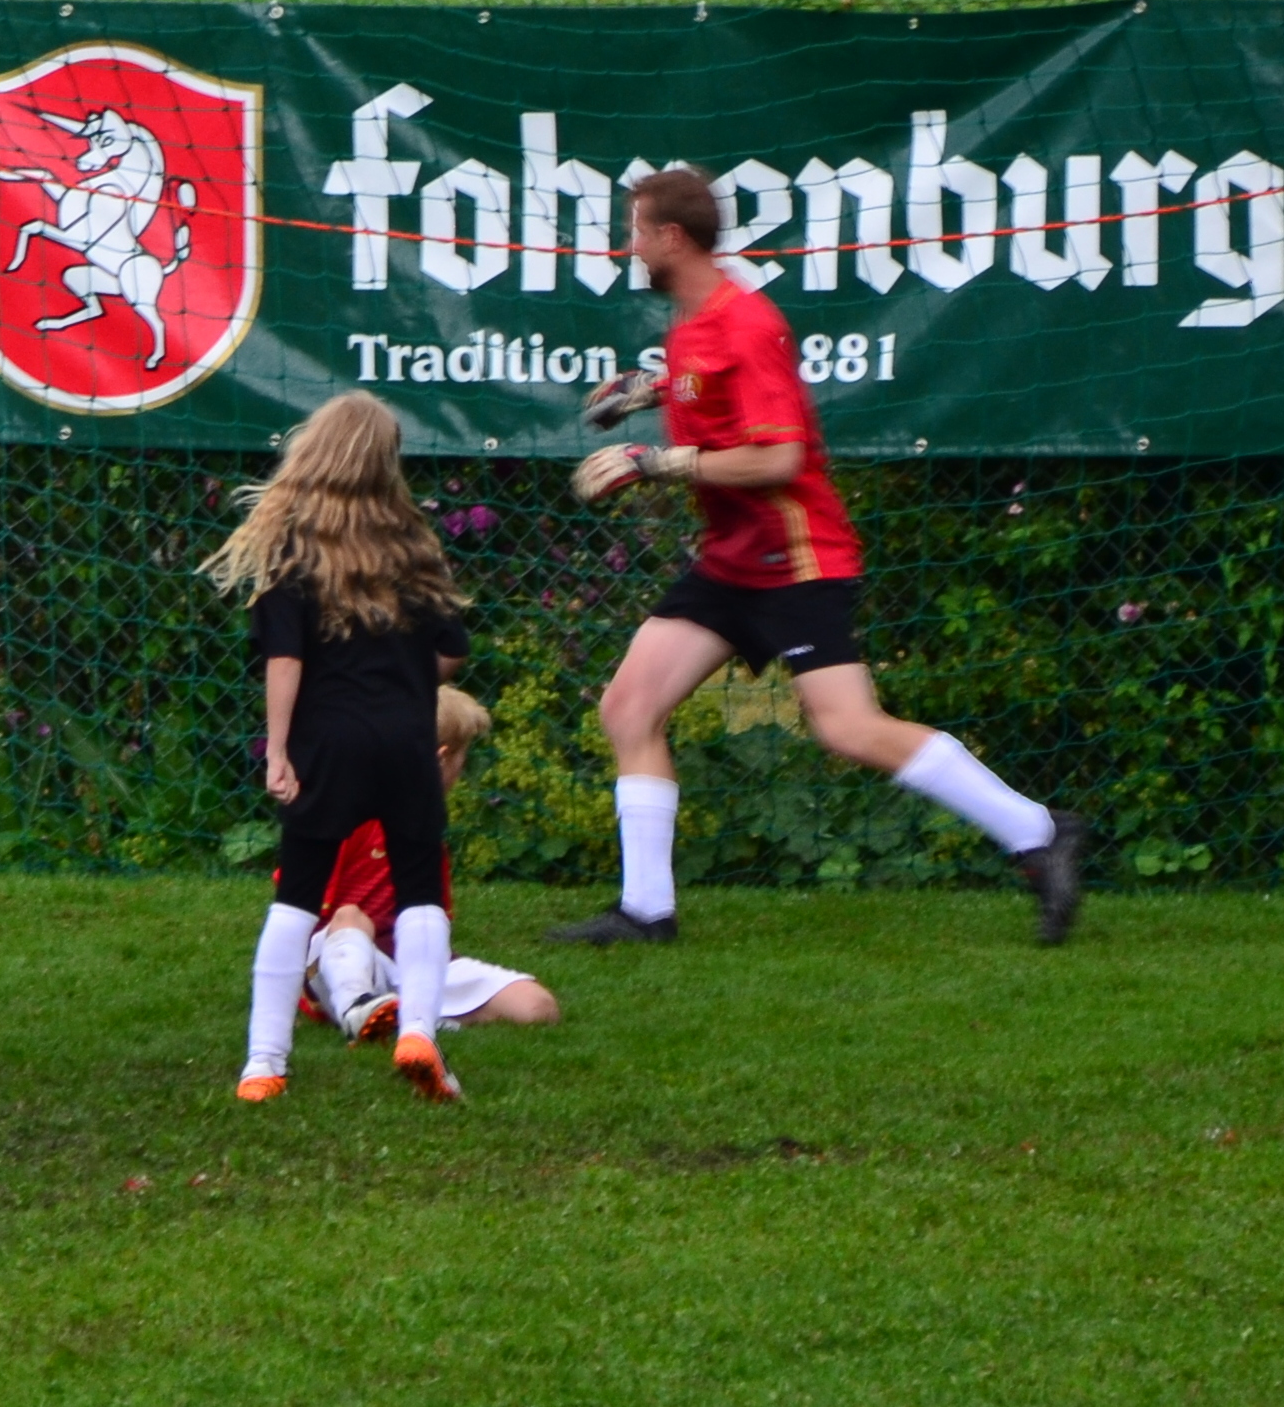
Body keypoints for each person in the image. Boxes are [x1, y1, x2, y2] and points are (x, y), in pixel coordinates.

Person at [557, 167, 1086, 946]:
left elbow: (778, 457)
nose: (625, 246)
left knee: (847, 728)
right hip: (732, 561)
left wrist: (656, 462)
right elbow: (708, 390)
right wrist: (651, 389)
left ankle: (1038, 831)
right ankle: (644, 912)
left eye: (634, 231)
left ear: (670, 237)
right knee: (628, 708)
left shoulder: (745, 323)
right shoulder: (693, 327)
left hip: (798, 559)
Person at [203, 389, 474, 1106]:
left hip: (327, 741)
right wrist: (402, 678)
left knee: (297, 897)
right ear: (386, 463)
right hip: (407, 739)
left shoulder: (291, 549)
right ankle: (419, 1034)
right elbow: (451, 651)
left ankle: (263, 1065)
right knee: (421, 891)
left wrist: (278, 750)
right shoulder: (415, 545)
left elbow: (284, 660)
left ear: (314, 452)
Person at [298, 686, 560, 1042]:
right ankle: (358, 1006)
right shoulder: (346, 817)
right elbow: (300, 914)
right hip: (337, 964)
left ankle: (402, 1013)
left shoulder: (427, 833)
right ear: (440, 760)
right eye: (463, 756)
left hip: (406, 967)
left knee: (536, 1007)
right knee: (350, 916)